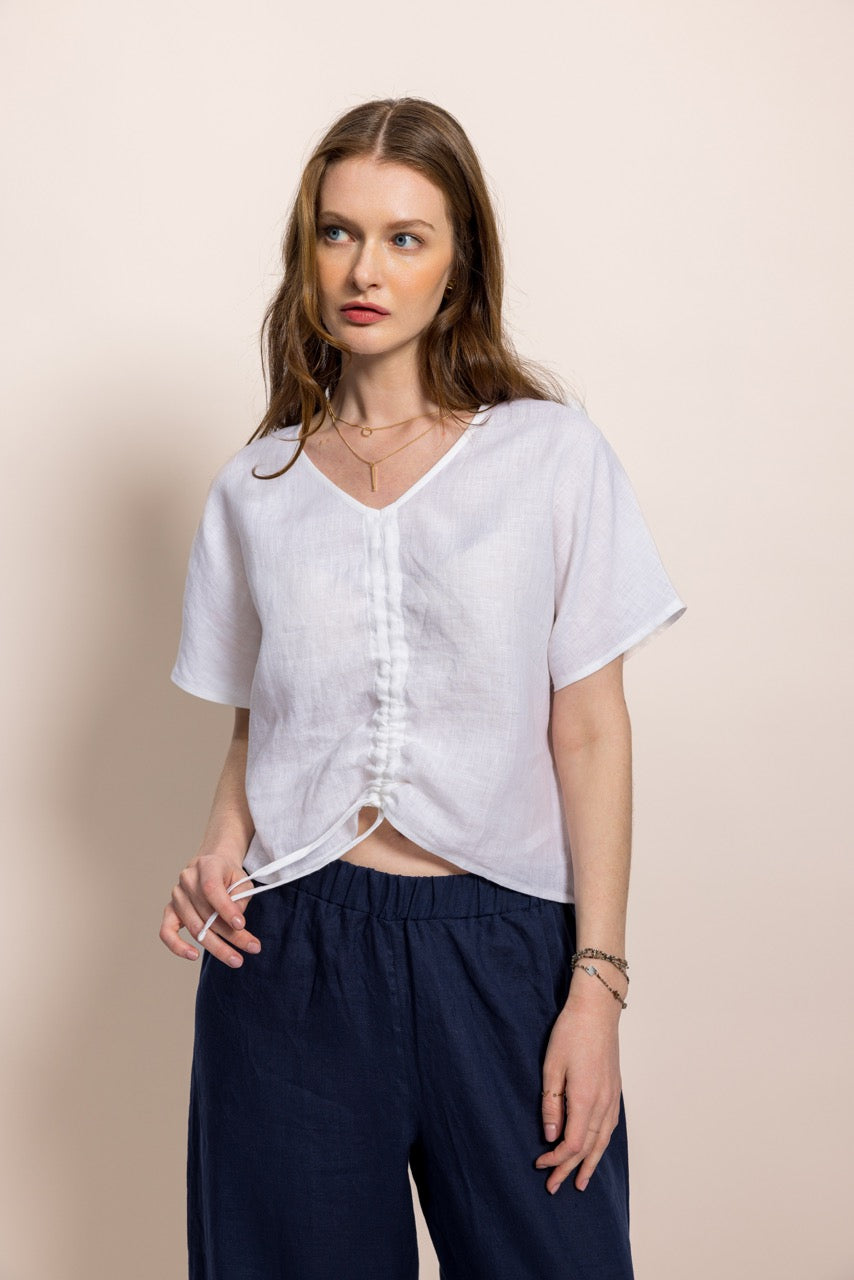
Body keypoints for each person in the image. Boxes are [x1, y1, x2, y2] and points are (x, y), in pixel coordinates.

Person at [159, 95, 686, 1280]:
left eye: (405, 237)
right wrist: (217, 853)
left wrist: (594, 985)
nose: (365, 269)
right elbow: (260, 724)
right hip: (289, 952)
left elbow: (590, 730)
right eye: (338, 232)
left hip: (503, 948)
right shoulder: (255, 488)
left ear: (458, 264)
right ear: (306, 252)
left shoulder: (549, 457)